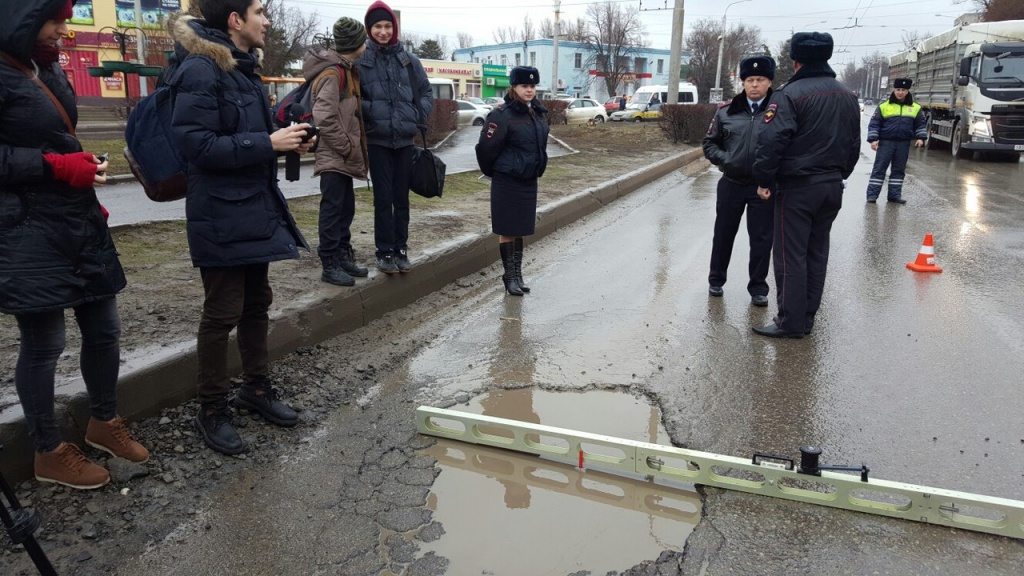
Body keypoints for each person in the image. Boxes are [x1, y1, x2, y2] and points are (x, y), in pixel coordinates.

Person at [0, 0, 149, 489]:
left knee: (104, 327)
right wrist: (54, 167)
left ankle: (104, 422)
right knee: (45, 344)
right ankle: (47, 451)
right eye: (56, 20)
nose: (65, 30)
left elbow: (54, 136)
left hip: (76, 217)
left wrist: (77, 162)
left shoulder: (40, 67)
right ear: (21, 20)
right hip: (24, 228)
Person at [168, 0, 314, 455]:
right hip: (219, 212)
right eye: (258, 11)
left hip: (252, 205)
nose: (266, 21)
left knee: (256, 304)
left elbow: (246, 134)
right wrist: (266, 141)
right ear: (235, 20)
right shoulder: (199, 69)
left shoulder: (243, 69)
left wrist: (287, 137)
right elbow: (195, 143)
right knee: (222, 310)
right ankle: (211, 407)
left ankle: (255, 389)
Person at [751, 32, 860, 339]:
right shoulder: (847, 95)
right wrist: (840, 174)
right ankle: (807, 317)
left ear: (795, 61)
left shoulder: (789, 95)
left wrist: (764, 180)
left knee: (790, 254)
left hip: (798, 189)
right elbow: (854, 144)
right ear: (826, 57)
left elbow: (771, 141)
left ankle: (790, 322)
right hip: (831, 186)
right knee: (816, 252)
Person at [358, 1, 433, 274]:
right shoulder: (362, 60)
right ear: (369, 29)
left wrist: (416, 114)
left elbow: (425, 93)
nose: (383, 31)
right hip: (377, 140)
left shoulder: (408, 61)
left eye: (387, 25)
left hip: (404, 140)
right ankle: (384, 252)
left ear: (395, 28)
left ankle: (401, 249)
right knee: (383, 198)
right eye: (377, 26)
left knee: (401, 198)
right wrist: (372, 112)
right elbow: (353, 98)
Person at [702, 55, 777, 307]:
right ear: (743, 83)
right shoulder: (726, 112)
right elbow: (709, 143)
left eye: (760, 79)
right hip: (731, 183)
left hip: (762, 186)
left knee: (761, 238)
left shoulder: (779, 111)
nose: (755, 85)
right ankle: (716, 280)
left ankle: (758, 287)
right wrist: (727, 160)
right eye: (750, 80)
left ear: (769, 82)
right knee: (723, 234)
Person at [305, 17, 370, 287]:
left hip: (342, 157)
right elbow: (324, 117)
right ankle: (329, 262)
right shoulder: (334, 74)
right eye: (363, 39)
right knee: (332, 211)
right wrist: (347, 146)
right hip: (334, 157)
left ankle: (343, 256)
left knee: (345, 209)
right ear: (355, 44)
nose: (366, 43)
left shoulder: (347, 69)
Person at [475, 66, 549, 296]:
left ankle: (517, 275)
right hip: (507, 180)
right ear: (513, 87)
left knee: (519, 229)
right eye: (524, 86)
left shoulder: (536, 113)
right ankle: (509, 276)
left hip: (528, 179)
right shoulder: (501, 115)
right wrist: (497, 171)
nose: (529, 90)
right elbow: (486, 148)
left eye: (532, 86)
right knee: (507, 229)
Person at [865, 78, 926, 204]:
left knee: (899, 170)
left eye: (903, 90)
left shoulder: (915, 108)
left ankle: (894, 196)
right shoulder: (884, 106)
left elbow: (920, 124)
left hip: (903, 143)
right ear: (894, 90)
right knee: (879, 169)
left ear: (907, 92)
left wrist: (920, 138)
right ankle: (872, 195)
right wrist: (873, 140)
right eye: (898, 90)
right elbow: (875, 124)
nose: (900, 92)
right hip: (886, 142)